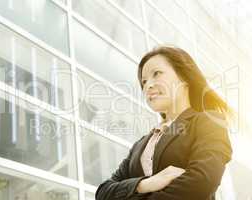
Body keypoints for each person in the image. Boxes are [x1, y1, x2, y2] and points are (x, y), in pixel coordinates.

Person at [95, 46, 233, 200]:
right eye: (144, 81)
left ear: (184, 77)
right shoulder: (139, 145)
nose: (148, 85)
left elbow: (201, 182)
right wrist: (147, 184)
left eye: (157, 74)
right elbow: (103, 193)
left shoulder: (208, 122)